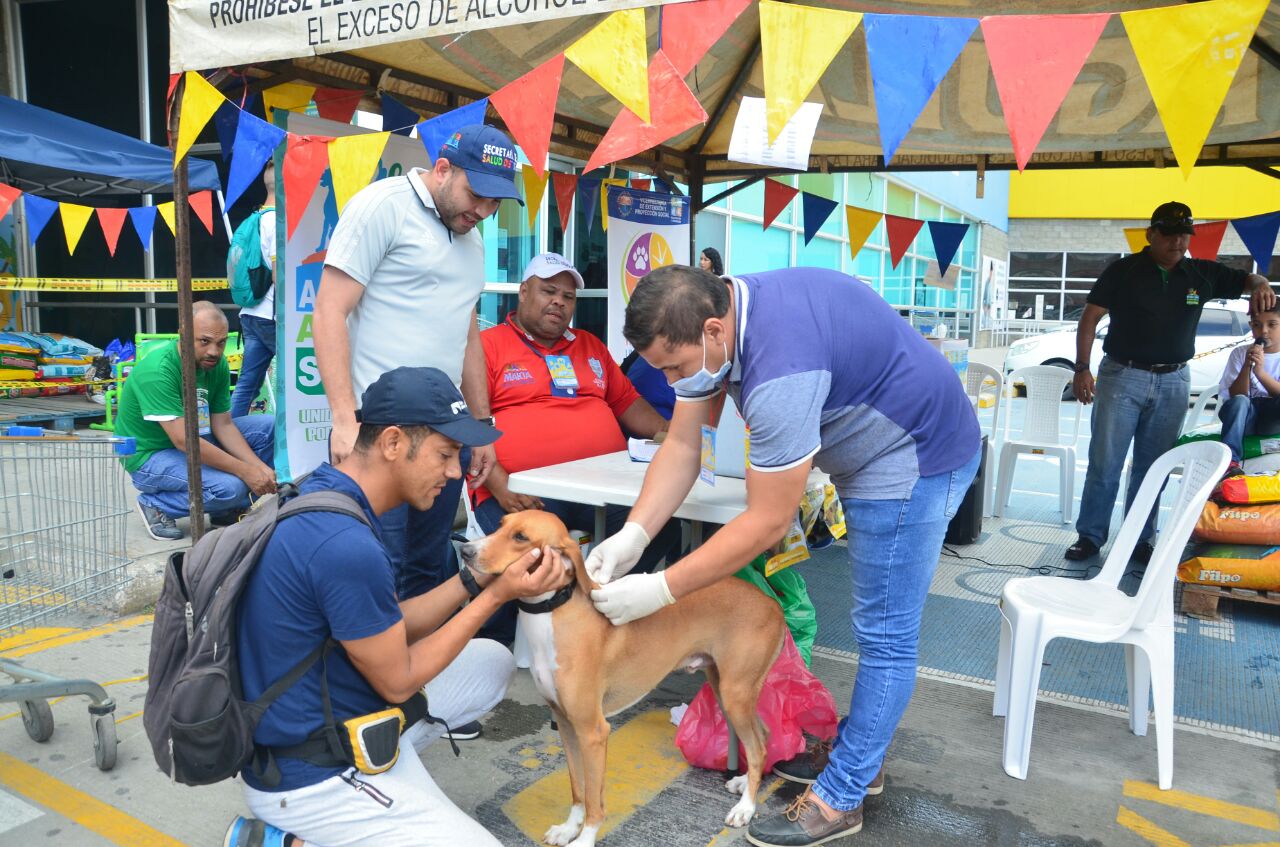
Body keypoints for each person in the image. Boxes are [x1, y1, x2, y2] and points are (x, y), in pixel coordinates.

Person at [585, 265, 981, 847]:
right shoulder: (711, 317)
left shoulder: (780, 374)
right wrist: (633, 536)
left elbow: (768, 520)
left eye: (673, 367)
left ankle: (843, 796)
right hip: (866, 441)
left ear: (715, 331)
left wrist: (662, 588)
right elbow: (683, 443)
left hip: (914, 455)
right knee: (881, 629)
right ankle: (858, 757)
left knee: (886, 634)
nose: (670, 380)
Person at [225, 366, 566, 847]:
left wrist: (473, 580)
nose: (453, 473)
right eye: (445, 455)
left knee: (493, 661)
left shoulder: (326, 491)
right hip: (310, 774)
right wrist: (496, 595)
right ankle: (286, 838)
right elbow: (399, 678)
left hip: (341, 717)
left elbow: (387, 625)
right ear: (391, 443)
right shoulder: (344, 543)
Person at [314, 123, 523, 604]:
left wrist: (480, 423)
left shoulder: (471, 240)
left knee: (427, 567)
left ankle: (416, 674)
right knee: (372, 568)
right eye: (478, 195)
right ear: (443, 169)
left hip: (445, 431)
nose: (485, 211)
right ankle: (370, 675)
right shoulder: (383, 206)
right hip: (378, 433)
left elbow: (466, 332)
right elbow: (328, 310)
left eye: (496, 203)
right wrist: (345, 420)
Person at [472, 252, 680, 643]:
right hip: (520, 494)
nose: (559, 302)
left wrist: (669, 432)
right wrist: (498, 482)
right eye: (549, 291)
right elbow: (468, 422)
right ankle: (499, 640)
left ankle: (597, 608)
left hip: (604, 487)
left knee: (664, 523)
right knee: (521, 556)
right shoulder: (487, 345)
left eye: (568, 297)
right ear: (523, 291)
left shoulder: (589, 345)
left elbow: (628, 404)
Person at [1066, 202, 1273, 563]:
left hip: (1174, 381)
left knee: (1154, 465)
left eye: (1184, 235)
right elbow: (1090, 318)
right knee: (1105, 461)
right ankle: (1090, 537)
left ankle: (1139, 539)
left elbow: (1248, 279)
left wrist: (1262, 283)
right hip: (1121, 376)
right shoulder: (1123, 271)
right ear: (1151, 235)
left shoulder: (1201, 274)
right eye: (1170, 234)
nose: (1178, 242)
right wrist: (1082, 367)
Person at [116, 301, 275, 541]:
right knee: (230, 487)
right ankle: (157, 505)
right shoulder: (158, 370)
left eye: (221, 343)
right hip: (150, 455)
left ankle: (226, 510)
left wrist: (259, 469)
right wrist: (245, 471)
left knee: (271, 427)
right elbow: (183, 441)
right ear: (183, 333)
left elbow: (223, 424)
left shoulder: (217, 364)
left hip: (196, 437)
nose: (214, 351)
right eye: (205, 341)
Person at [230, 161, 277, 418]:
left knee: (247, 384)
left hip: (249, 312)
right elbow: (279, 273)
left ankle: (229, 433)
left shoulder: (253, 218)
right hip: (272, 314)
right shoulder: (276, 221)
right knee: (297, 379)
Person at [1216, 305, 1280, 476]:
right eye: (1257, 325)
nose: (1264, 331)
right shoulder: (1240, 353)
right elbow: (1235, 395)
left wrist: (1260, 372)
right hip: (1244, 417)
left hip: (1272, 420)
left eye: (1272, 325)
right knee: (1239, 401)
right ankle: (1230, 463)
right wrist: (1247, 365)